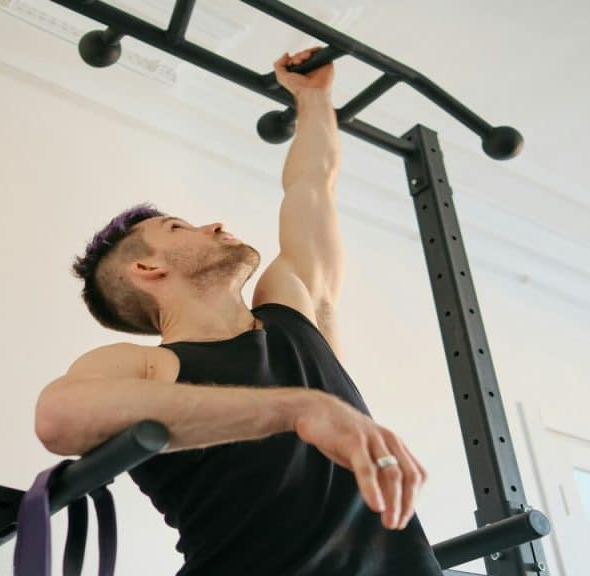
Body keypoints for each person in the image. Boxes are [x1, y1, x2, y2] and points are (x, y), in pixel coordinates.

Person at [35, 48, 443, 576]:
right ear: (147, 270)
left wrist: (314, 100)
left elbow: (312, 185)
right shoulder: (148, 369)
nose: (215, 225)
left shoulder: (294, 306)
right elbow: (57, 419)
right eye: (180, 228)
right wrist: (298, 410)